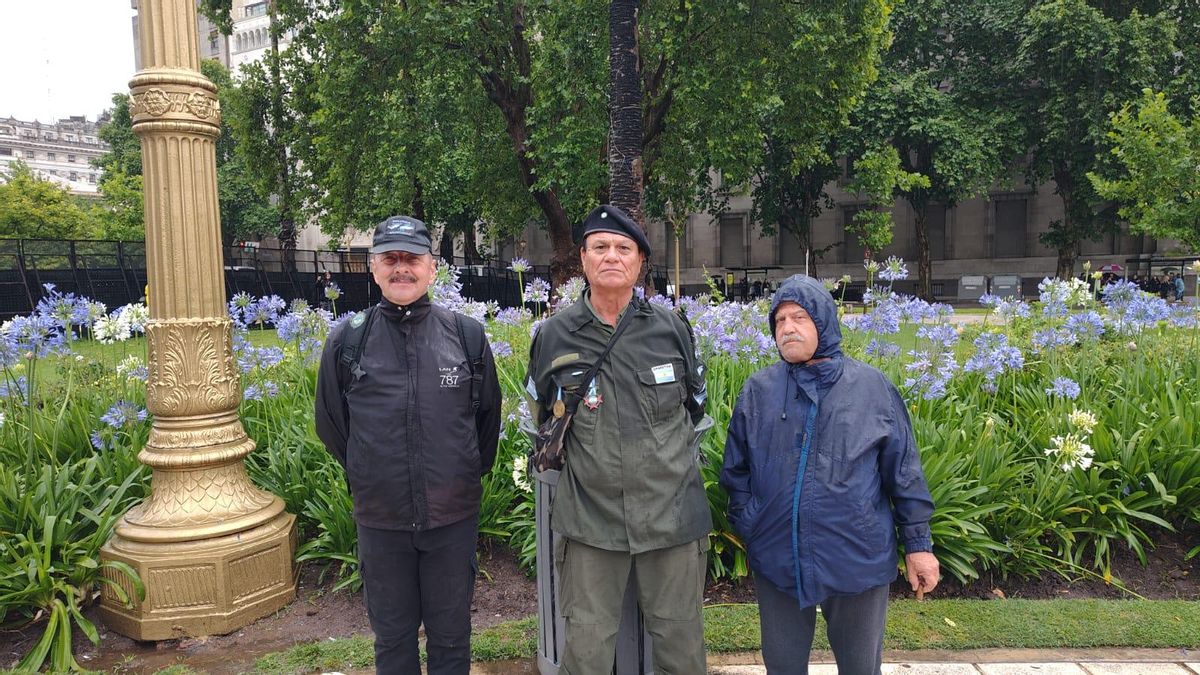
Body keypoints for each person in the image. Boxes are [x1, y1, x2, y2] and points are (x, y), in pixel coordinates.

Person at [720, 274, 940, 675]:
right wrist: (751, 521)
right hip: (778, 556)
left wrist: (918, 545)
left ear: (823, 321)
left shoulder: (872, 388)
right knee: (783, 665)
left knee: (860, 667)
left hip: (856, 555)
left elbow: (903, 472)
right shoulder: (758, 391)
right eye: (780, 320)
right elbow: (736, 471)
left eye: (799, 317)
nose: (787, 328)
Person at [525, 204, 711, 674]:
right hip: (591, 522)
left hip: (671, 517)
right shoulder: (552, 335)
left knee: (680, 648)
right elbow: (541, 417)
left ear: (640, 262)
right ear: (583, 260)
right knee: (585, 651)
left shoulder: (672, 330)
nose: (612, 256)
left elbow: (696, 408)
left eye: (623, 248)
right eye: (600, 247)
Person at [315, 215, 502, 675]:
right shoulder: (348, 341)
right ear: (373, 268)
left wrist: (454, 477)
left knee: (452, 638)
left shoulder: (466, 336)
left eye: (411, 259)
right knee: (393, 640)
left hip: (451, 518)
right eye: (390, 259)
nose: (402, 269)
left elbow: (486, 421)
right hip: (382, 520)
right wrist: (371, 471)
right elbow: (333, 426)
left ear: (431, 267)